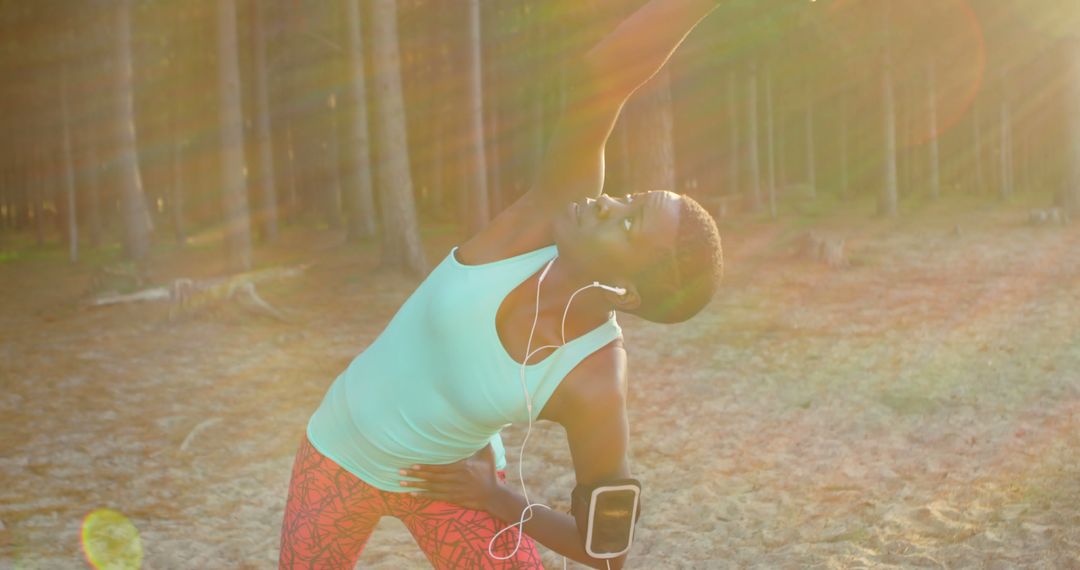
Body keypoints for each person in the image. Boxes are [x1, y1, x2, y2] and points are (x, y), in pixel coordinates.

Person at [278, 1, 723, 568]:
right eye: (628, 198)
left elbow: (607, 548)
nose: (607, 203)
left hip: (451, 486)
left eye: (629, 223)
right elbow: (603, 77)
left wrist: (503, 501)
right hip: (337, 455)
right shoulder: (545, 217)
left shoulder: (595, 381)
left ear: (629, 291)